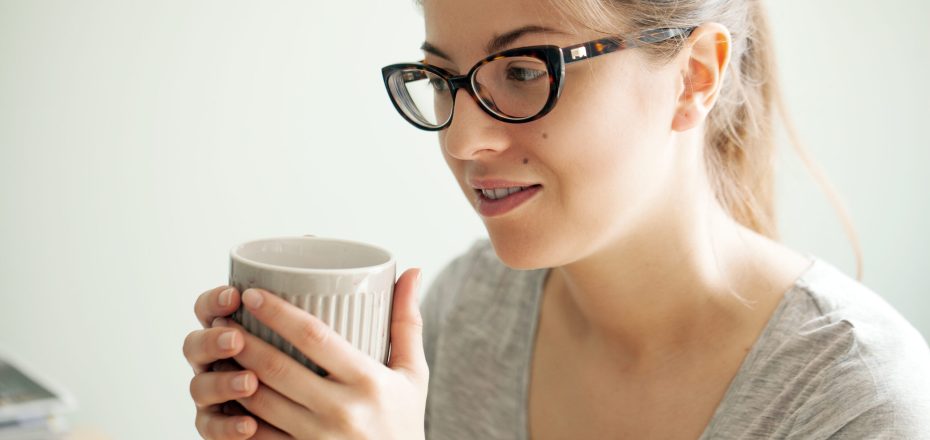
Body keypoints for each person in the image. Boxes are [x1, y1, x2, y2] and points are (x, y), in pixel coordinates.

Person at [183, 0, 930, 438]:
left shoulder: (851, 399)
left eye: (525, 70)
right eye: (442, 79)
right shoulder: (467, 313)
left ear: (694, 76)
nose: (463, 141)